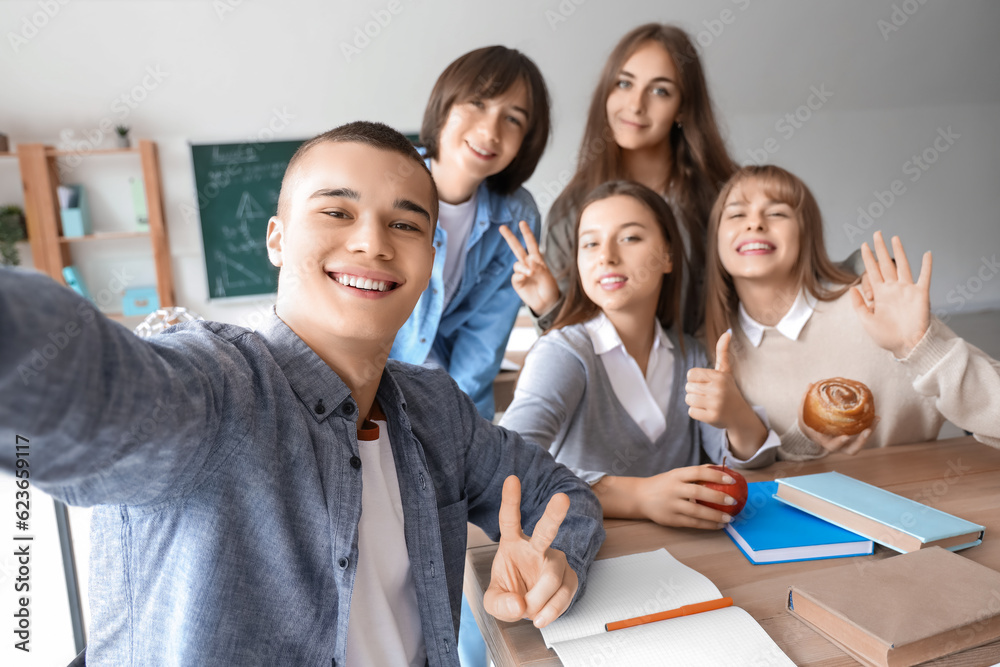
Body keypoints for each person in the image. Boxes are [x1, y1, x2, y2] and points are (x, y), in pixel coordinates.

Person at [0, 122, 605, 667]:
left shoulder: (434, 410)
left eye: (405, 224)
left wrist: (558, 563)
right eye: (338, 213)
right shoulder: (216, 388)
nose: (373, 243)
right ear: (277, 240)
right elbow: (80, 383)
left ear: (429, 260)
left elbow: (561, 492)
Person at [501, 180, 778, 530]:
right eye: (590, 243)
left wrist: (737, 415)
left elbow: (746, 469)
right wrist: (638, 496)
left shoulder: (692, 354)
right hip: (586, 560)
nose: (607, 257)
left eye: (630, 237)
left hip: (686, 560)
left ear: (667, 256)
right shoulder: (563, 352)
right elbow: (507, 467)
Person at [703, 164, 1000, 460]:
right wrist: (807, 439)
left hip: (922, 497)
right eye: (737, 214)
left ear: (806, 233)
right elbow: (754, 482)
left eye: (777, 212)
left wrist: (921, 347)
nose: (754, 224)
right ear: (715, 237)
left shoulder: (873, 306)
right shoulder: (717, 348)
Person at [516, 23, 736, 335]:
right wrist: (548, 304)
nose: (635, 105)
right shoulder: (572, 208)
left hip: (702, 377)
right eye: (623, 84)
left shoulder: (723, 201)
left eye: (660, 91)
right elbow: (563, 348)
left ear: (683, 108)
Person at [390, 45, 550, 420]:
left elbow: (484, 337)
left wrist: (452, 420)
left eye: (513, 119)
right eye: (477, 103)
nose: (490, 130)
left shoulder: (516, 214)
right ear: (445, 104)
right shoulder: (388, 178)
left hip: (445, 397)